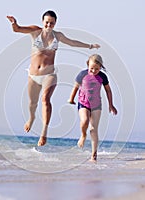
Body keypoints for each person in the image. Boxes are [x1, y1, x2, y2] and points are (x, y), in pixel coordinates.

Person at [6, 10, 100, 146]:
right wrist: (14, 23)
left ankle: (44, 132)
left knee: (45, 99)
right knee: (32, 103)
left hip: (49, 74)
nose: (49, 25)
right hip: (33, 75)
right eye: (47, 22)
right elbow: (18, 30)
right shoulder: (35, 32)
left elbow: (72, 42)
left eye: (52, 23)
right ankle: (31, 118)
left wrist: (90, 46)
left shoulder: (57, 36)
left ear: (55, 23)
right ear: (42, 22)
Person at [68, 54, 117, 162]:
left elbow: (108, 90)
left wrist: (111, 104)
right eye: (92, 68)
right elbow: (76, 87)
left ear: (100, 67)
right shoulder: (82, 74)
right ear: (88, 65)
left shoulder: (102, 77)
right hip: (83, 102)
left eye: (97, 69)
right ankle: (83, 135)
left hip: (96, 105)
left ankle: (94, 155)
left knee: (94, 129)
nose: (94, 71)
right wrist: (71, 99)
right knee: (84, 120)